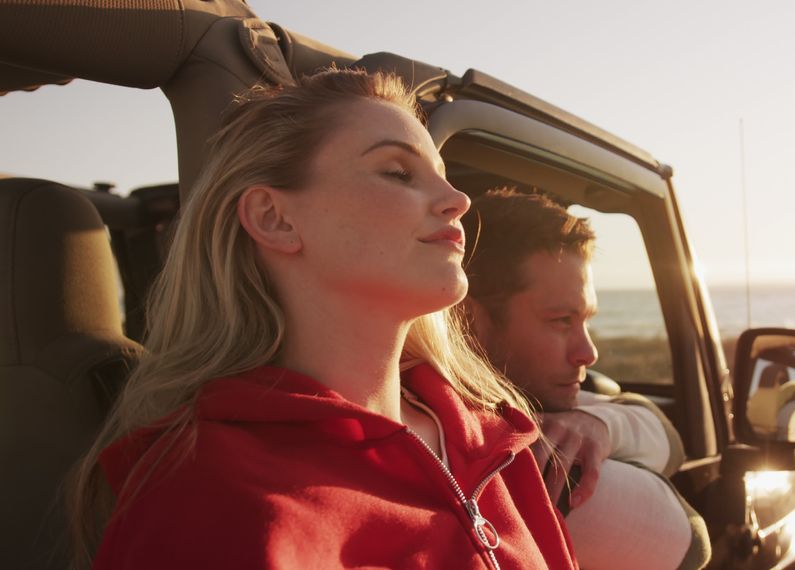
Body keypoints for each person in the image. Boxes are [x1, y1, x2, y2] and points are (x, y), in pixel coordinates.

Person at [68, 69, 576, 570]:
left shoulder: (497, 439)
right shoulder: (206, 493)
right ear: (274, 218)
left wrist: (619, 419)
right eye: (398, 173)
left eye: (444, 176)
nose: (459, 200)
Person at [461, 188, 710, 570]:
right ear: (469, 320)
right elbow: (693, 542)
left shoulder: (537, 397)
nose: (588, 353)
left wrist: (598, 424)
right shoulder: (517, 457)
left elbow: (667, 438)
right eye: (561, 320)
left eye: (586, 320)